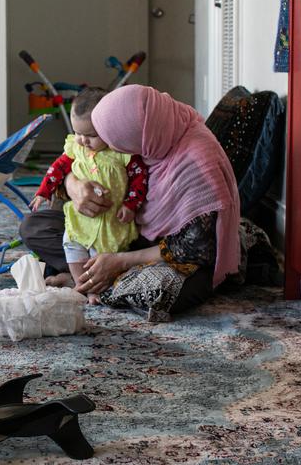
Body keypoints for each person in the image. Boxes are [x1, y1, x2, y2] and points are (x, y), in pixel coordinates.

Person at [20, 84, 239, 322]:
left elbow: (194, 250)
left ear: (137, 134)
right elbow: (77, 164)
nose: (113, 148)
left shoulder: (196, 163)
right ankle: (94, 277)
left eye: (116, 142)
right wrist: (75, 186)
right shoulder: (154, 131)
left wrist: (120, 261)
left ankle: (85, 279)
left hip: (167, 252)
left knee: (166, 292)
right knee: (34, 226)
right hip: (120, 230)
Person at [29, 87, 148, 304]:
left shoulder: (123, 152)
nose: (83, 140)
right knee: (69, 244)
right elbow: (57, 169)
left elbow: (139, 179)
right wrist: (43, 192)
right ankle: (79, 283)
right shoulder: (75, 148)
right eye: (78, 133)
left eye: (91, 135)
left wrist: (131, 205)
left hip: (110, 223)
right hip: (79, 220)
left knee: (100, 255)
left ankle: (91, 287)